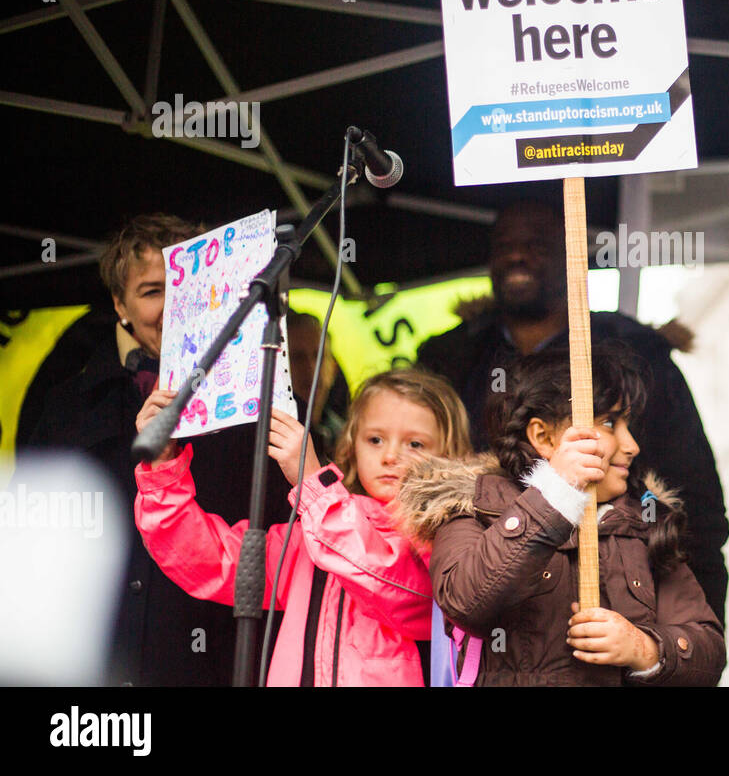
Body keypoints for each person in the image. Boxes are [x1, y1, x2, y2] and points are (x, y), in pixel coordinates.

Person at [416, 200, 729, 625]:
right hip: (490, 614)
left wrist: (685, 640)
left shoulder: (634, 354)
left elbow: (697, 502)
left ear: (573, 257)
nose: (516, 255)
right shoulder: (450, 359)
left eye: (536, 244)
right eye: (504, 244)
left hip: (622, 610)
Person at [24, 212, 291, 685]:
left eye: (187, 290)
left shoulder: (267, 397)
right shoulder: (66, 405)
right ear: (119, 303)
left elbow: (290, 544)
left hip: (218, 655)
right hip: (100, 657)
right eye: (152, 291)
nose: (175, 308)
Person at [397, 345, 725, 686]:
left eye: (628, 424)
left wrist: (644, 648)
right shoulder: (474, 507)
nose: (632, 445)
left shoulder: (647, 523)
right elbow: (466, 602)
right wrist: (557, 492)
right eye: (611, 422)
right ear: (543, 436)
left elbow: (709, 650)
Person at [134, 369, 472, 686]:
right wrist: (163, 468)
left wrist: (313, 481)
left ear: (452, 455)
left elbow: (394, 587)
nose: (390, 456)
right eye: (375, 440)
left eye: (415, 444)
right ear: (352, 445)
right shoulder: (310, 530)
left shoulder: (448, 536)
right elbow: (213, 559)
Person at [285, 310, 349, 462]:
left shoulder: (347, 440)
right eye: (297, 357)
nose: (311, 368)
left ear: (333, 368)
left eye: (319, 356)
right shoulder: (266, 440)